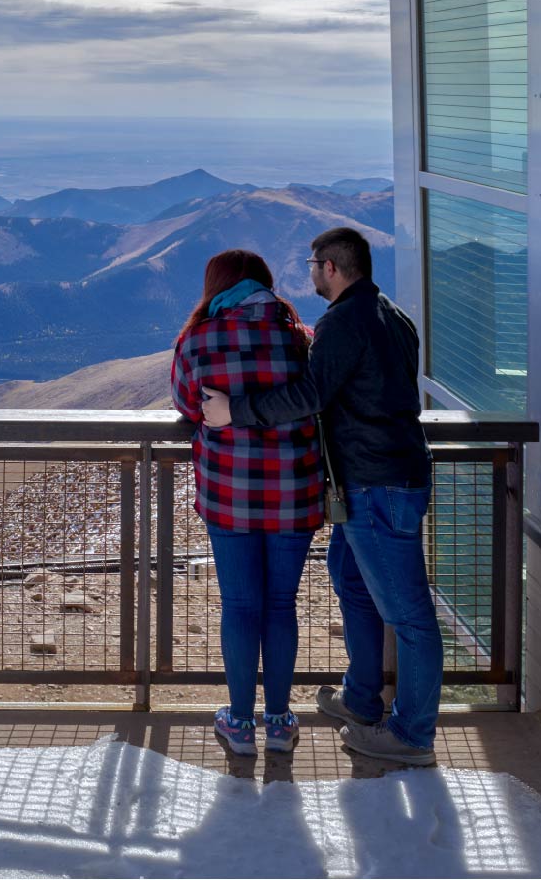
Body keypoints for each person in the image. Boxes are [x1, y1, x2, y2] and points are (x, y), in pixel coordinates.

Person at [200, 226, 439, 767]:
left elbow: (310, 395)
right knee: (352, 583)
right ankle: (360, 699)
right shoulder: (391, 315)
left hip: (376, 483)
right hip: (384, 476)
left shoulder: (342, 322)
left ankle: (412, 735)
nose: (308, 274)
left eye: (313, 264)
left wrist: (234, 412)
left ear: (331, 268)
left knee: (408, 614)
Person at [171, 249, 322, 756]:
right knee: (281, 605)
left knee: (240, 605)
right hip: (295, 494)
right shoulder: (300, 337)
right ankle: (278, 722)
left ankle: (239, 724)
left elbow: (189, 405)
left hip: (229, 492)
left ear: (217, 286)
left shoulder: (198, 339)